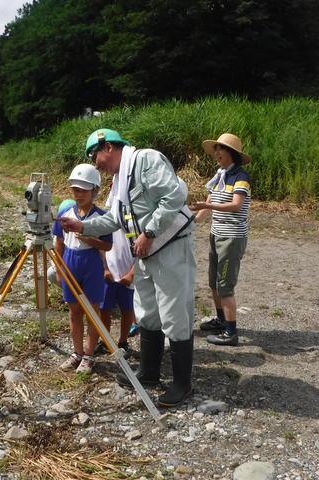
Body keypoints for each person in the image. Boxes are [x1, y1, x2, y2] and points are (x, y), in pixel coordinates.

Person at [56, 128, 197, 407]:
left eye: (94, 156)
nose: (95, 164)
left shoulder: (147, 160)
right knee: (147, 311)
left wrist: (150, 232)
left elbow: (173, 198)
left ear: (108, 147)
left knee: (174, 311)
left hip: (168, 247)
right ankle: (150, 372)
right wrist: (82, 225)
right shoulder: (120, 179)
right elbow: (114, 221)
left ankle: (183, 384)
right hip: (145, 253)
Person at [189, 133, 251, 347]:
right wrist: (191, 222)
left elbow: (236, 205)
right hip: (216, 235)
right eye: (215, 149)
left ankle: (231, 333)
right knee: (213, 282)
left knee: (225, 285)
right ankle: (221, 320)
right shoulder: (220, 176)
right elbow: (207, 204)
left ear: (231, 153)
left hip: (232, 237)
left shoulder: (240, 177)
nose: (216, 153)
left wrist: (207, 207)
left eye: (220, 149)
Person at [52, 164, 112, 374]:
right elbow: (59, 243)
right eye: (75, 190)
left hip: (91, 264)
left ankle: (89, 355)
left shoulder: (101, 217)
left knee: (92, 311)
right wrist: (59, 269)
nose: (79, 194)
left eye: (84, 190)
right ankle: (77, 352)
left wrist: (89, 239)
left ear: (95, 190)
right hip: (70, 261)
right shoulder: (65, 213)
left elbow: (107, 246)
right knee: (74, 310)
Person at [94, 222, 136, 359]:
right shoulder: (108, 222)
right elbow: (102, 246)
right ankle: (105, 341)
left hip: (128, 275)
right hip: (109, 274)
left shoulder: (136, 223)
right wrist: (105, 268)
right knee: (104, 308)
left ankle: (123, 342)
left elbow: (144, 252)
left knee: (127, 309)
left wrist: (131, 274)